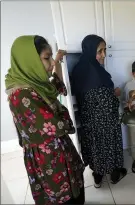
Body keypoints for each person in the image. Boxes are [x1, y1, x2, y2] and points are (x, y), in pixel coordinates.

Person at [5, 35, 85, 205]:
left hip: (58, 149)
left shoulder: (36, 85)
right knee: (63, 197)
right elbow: (57, 126)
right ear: (30, 61)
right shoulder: (22, 95)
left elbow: (55, 86)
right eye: (46, 58)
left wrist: (57, 60)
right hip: (49, 158)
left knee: (75, 191)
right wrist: (63, 112)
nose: (51, 64)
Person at [71, 34, 127, 188]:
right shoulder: (96, 72)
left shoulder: (79, 69)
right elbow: (107, 103)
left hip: (89, 121)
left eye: (104, 50)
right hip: (105, 122)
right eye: (100, 51)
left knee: (95, 148)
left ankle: (97, 177)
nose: (103, 55)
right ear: (90, 51)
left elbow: (86, 97)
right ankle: (115, 175)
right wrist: (114, 95)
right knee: (109, 146)